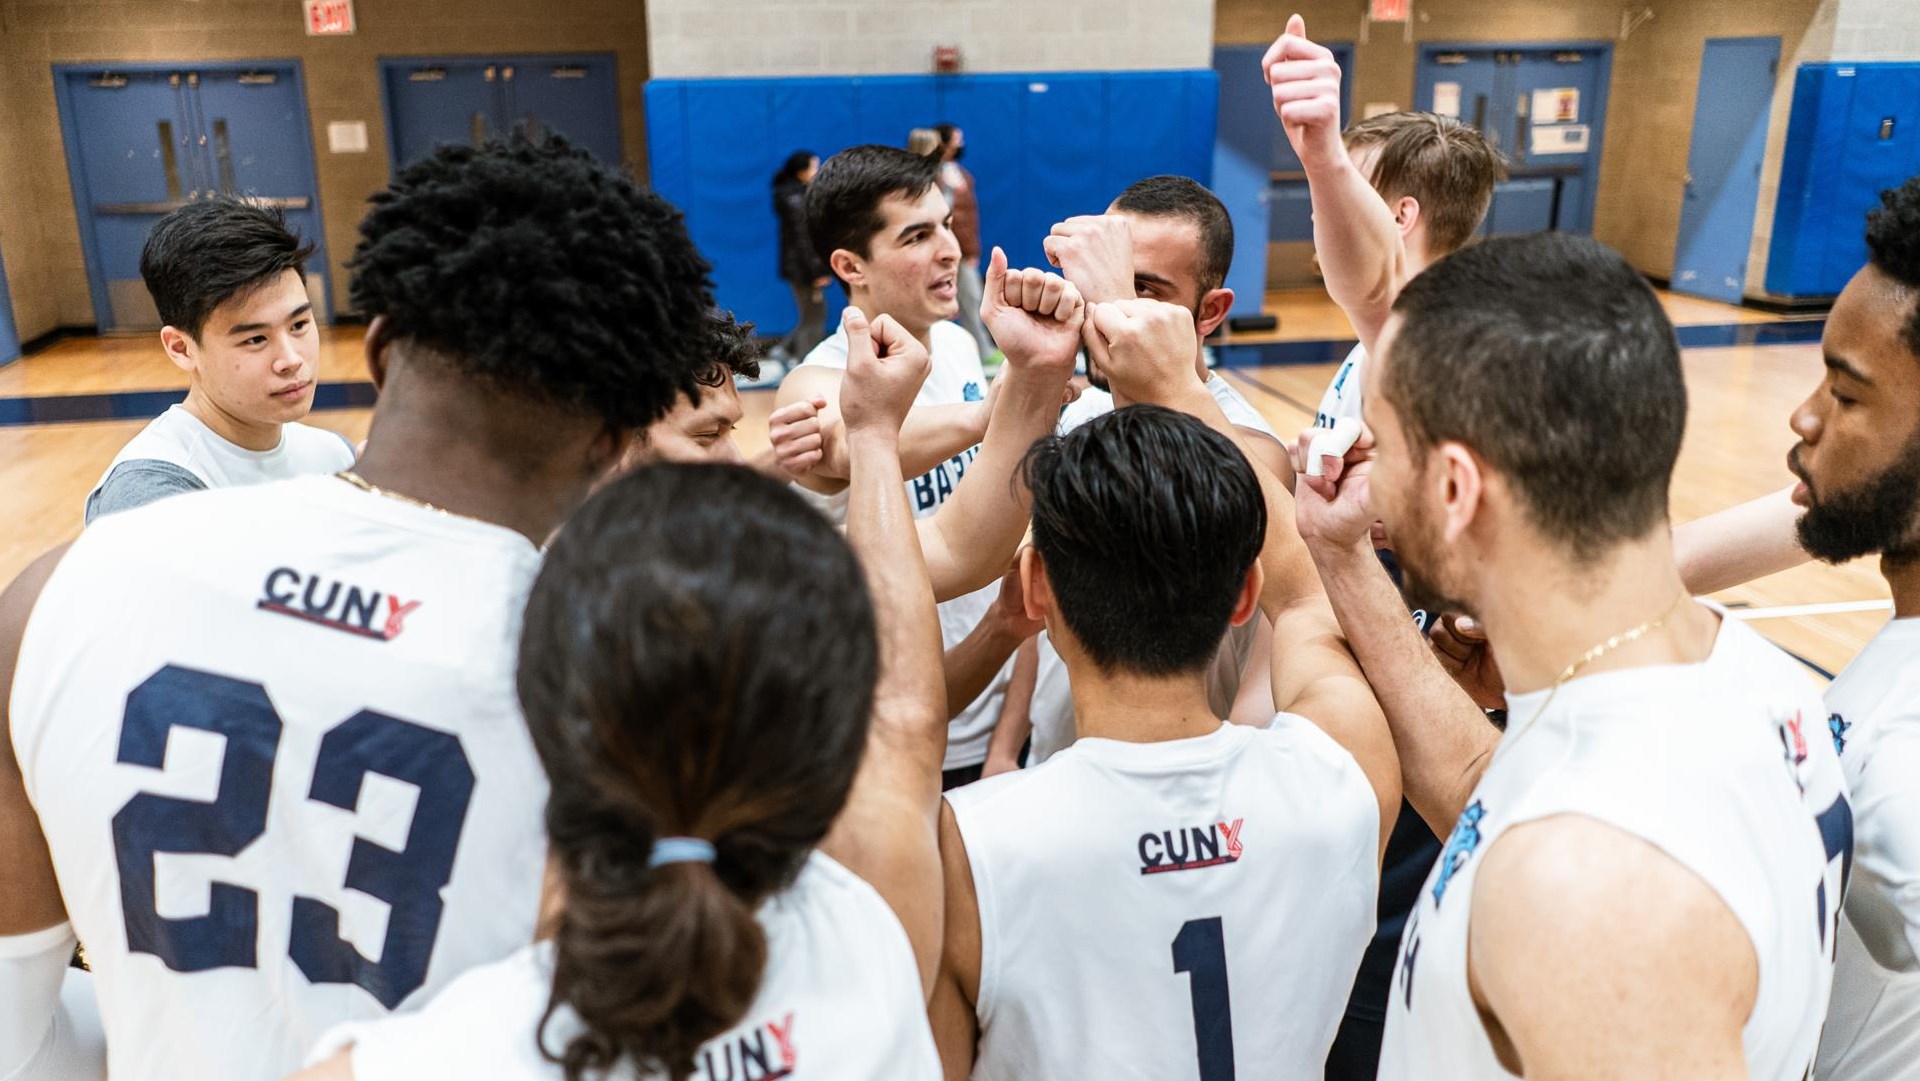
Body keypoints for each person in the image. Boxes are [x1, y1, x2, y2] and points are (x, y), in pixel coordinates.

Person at [0, 132, 718, 1081]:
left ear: (375, 348)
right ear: (624, 436)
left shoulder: (49, 595)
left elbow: (17, 1024)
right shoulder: (615, 674)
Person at [287, 302, 959, 1081]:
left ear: (546, 735)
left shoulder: (459, 1048)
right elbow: (907, 721)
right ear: (819, 755)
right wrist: (874, 436)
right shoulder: (869, 934)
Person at [1293, 230, 1849, 1080]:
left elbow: (1573, 864)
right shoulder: (1754, 677)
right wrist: (1340, 554)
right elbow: (1495, 801)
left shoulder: (1587, 888)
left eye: (1380, 437)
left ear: (1453, 487)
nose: (1359, 458)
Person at [932, 301, 1399, 1077]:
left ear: (1036, 587)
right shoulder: (1343, 776)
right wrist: (1184, 385)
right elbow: (1310, 593)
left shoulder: (963, 847)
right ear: (1241, 595)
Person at [1264, 22, 1507, 1077]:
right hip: (1392, 692)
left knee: (1375, 993)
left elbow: (1377, 288)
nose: (1321, 227)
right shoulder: (1398, 342)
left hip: (1431, 718)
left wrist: (1320, 148)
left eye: (1340, 201)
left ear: (1392, 215)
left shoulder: (1432, 335)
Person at [775, 145, 1073, 789]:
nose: (948, 248)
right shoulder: (816, 376)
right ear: (850, 265)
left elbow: (1010, 550)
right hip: (884, 734)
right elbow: (844, 441)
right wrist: (989, 415)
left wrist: (1008, 735)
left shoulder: (964, 347)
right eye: (917, 235)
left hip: (989, 710)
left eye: (945, 224)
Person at [84, 197, 354, 524]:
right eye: (255, 339)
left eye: (299, 325)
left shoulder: (336, 454)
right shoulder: (151, 494)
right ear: (182, 348)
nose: (291, 359)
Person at [935, 123, 992, 356]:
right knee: (948, 303)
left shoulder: (961, 174)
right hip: (946, 250)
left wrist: (971, 249)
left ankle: (981, 350)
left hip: (964, 250)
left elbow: (968, 218)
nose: (961, 144)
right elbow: (947, 218)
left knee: (972, 299)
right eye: (956, 139)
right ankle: (977, 351)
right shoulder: (934, 177)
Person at [771, 151, 829, 368]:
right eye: (814, 167)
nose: (818, 171)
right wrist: (817, 272)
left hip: (800, 267)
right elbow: (804, 240)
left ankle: (784, 351)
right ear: (801, 171)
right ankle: (806, 363)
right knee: (814, 317)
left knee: (811, 316)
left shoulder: (794, 194)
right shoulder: (796, 199)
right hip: (803, 269)